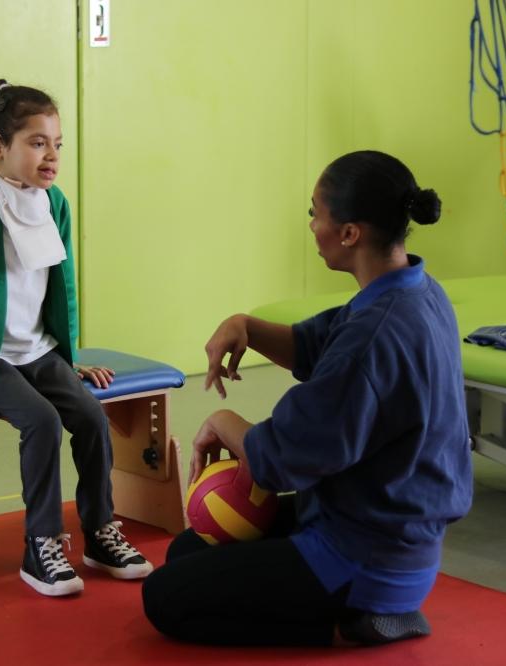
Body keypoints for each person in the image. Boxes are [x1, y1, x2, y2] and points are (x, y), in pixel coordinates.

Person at [141, 150, 473, 645]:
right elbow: (317, 343)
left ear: (349, 233)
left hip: (364, 554)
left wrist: (222, 420)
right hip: (389, 526)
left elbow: (280, 459)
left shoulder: (375, 336)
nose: (312, 224)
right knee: (191, 549)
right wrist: (246, 327)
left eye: (316, 212)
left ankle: (352, 618)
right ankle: (362, 605)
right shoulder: (417, 292)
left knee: (163, 597)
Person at [0, 79, 152, 597]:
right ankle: (41, 546)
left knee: (88, 416)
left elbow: (64, 287)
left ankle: (100, 534)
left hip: (37, 349)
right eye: (37, 143)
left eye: (58, 143)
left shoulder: (53, 202)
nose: (52, 156)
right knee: (40, 420)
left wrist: (71, 357)